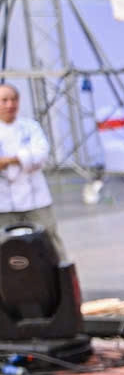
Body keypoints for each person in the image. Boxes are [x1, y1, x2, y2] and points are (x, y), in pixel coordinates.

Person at [0, 84, 60, 259]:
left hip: (35, 197)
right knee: (5, 246)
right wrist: (23, 157)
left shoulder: (30, 126)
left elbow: (41, 154)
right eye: (4, 100)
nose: (9, 104)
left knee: (49, 238)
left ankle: (61, 281)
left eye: (13, 100)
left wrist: (9, 160)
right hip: (3, 201)